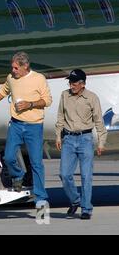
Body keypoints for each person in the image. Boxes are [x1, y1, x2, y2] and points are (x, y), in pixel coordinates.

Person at [0, 52, 52, 212]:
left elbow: (47, 100)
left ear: (25, 66)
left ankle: (40, 198)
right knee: (8, 157)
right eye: (12, 67)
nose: (13, 70)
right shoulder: (11, 78)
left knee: (36, 163)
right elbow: (3, 90)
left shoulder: (39, 79)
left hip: (34, 126)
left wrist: (30, 105)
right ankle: (18, 175)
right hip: (15, 124)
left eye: (16, 68)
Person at [55, 69, 107, 220]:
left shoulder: (92, 98)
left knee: (86, 176)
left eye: (74, 82)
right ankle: (75, 200)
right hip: (69, 140)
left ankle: (86, 209)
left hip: (85, 139)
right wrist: (58, 136)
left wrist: (101, 143)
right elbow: (60, 117)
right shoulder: (64, 95)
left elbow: (99, 121)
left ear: (82, 84)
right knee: (64, 175)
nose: (71, 85)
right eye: (70, 82)